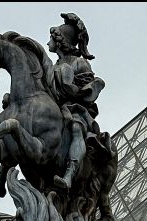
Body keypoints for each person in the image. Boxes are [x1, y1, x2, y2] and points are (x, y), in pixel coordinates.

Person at [46, 13, 108, 190]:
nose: (48, 42)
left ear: (60, 41)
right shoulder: (51, 66)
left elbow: (88, 90)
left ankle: (69, 174)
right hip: (53, 108)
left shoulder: (80, 63)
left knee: (76, 128)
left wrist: (68, 87)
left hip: (75, 110)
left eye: (51, 38)